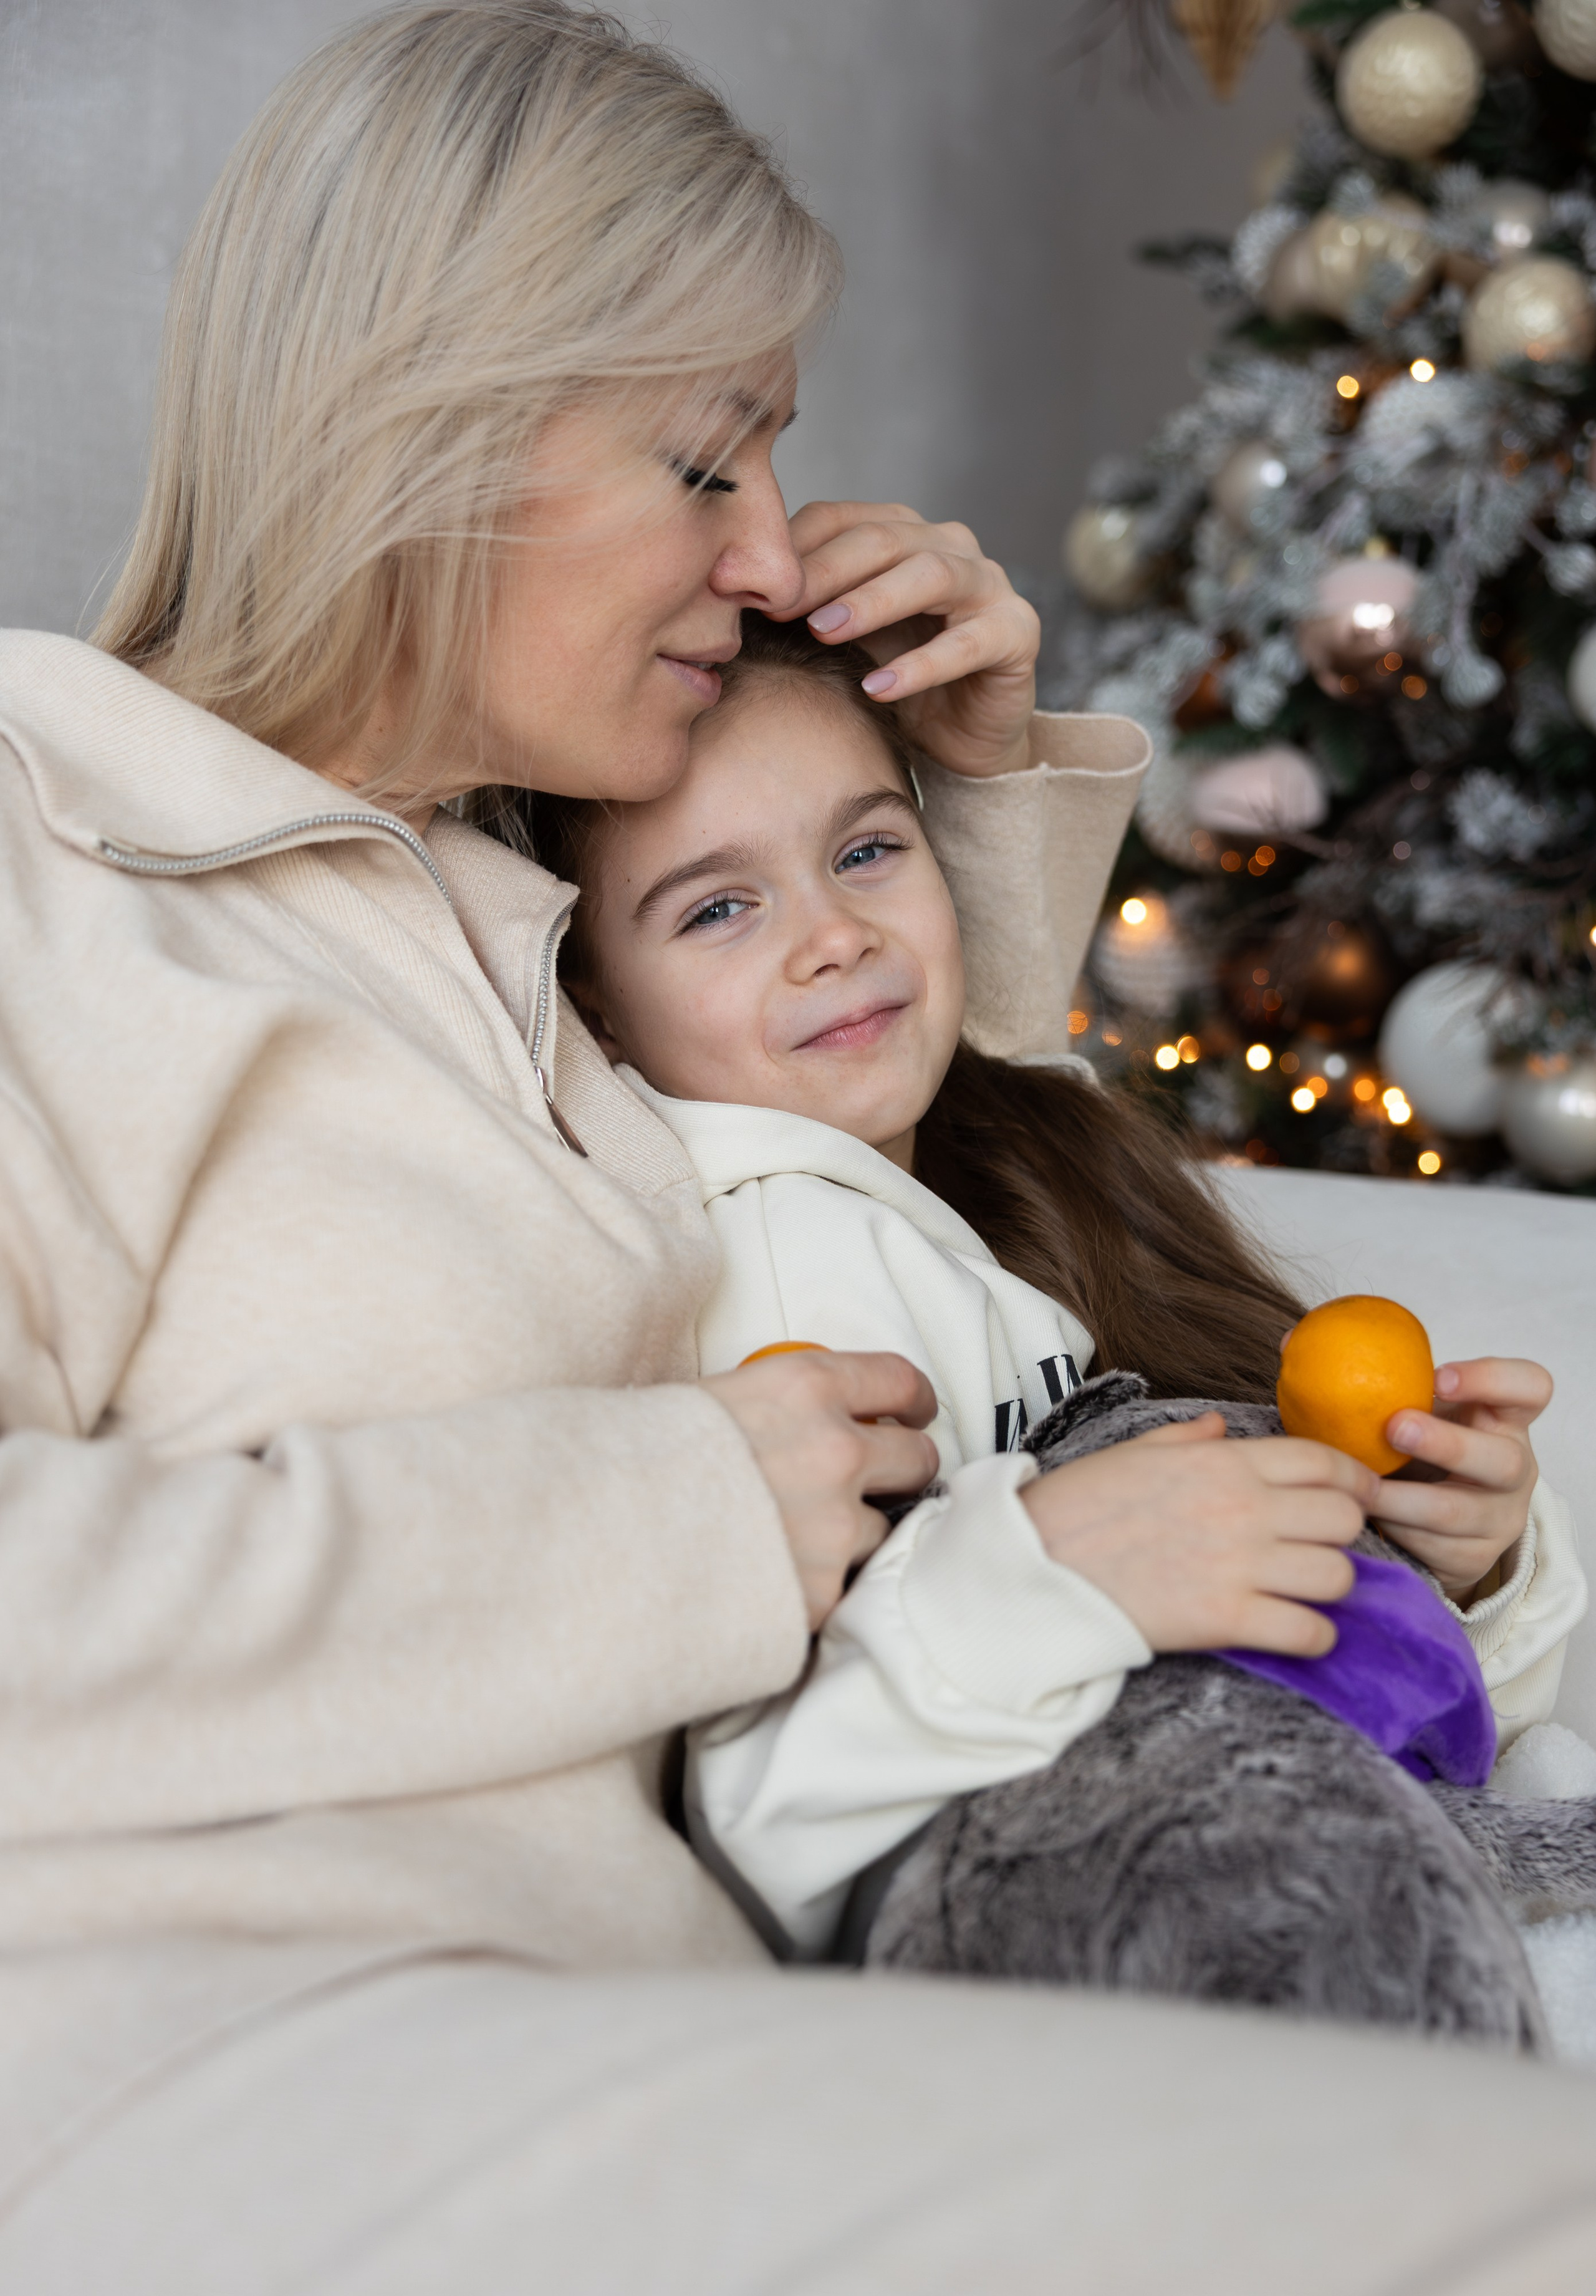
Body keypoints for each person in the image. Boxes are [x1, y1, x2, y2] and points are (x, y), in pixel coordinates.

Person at [4, 7, 1590, 2287]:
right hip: (223, 2056)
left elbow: (931, 1239)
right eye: (703, 461)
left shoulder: (527, 920)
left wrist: (969, 784)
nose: (768, 552)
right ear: (433, 431)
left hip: (671, 2023)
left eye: (778, 455)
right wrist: (681, 1514)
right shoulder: (47, 851)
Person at [535, 612, 1587, 1962]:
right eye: (717, 908)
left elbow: (1367, 1703)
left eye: (866, 850)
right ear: (599, 1003)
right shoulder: (770, 1273)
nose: (834, 935)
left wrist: (1469, 1558)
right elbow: (770, 1819)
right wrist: (1048, 1569)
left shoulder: (1026, 1155)